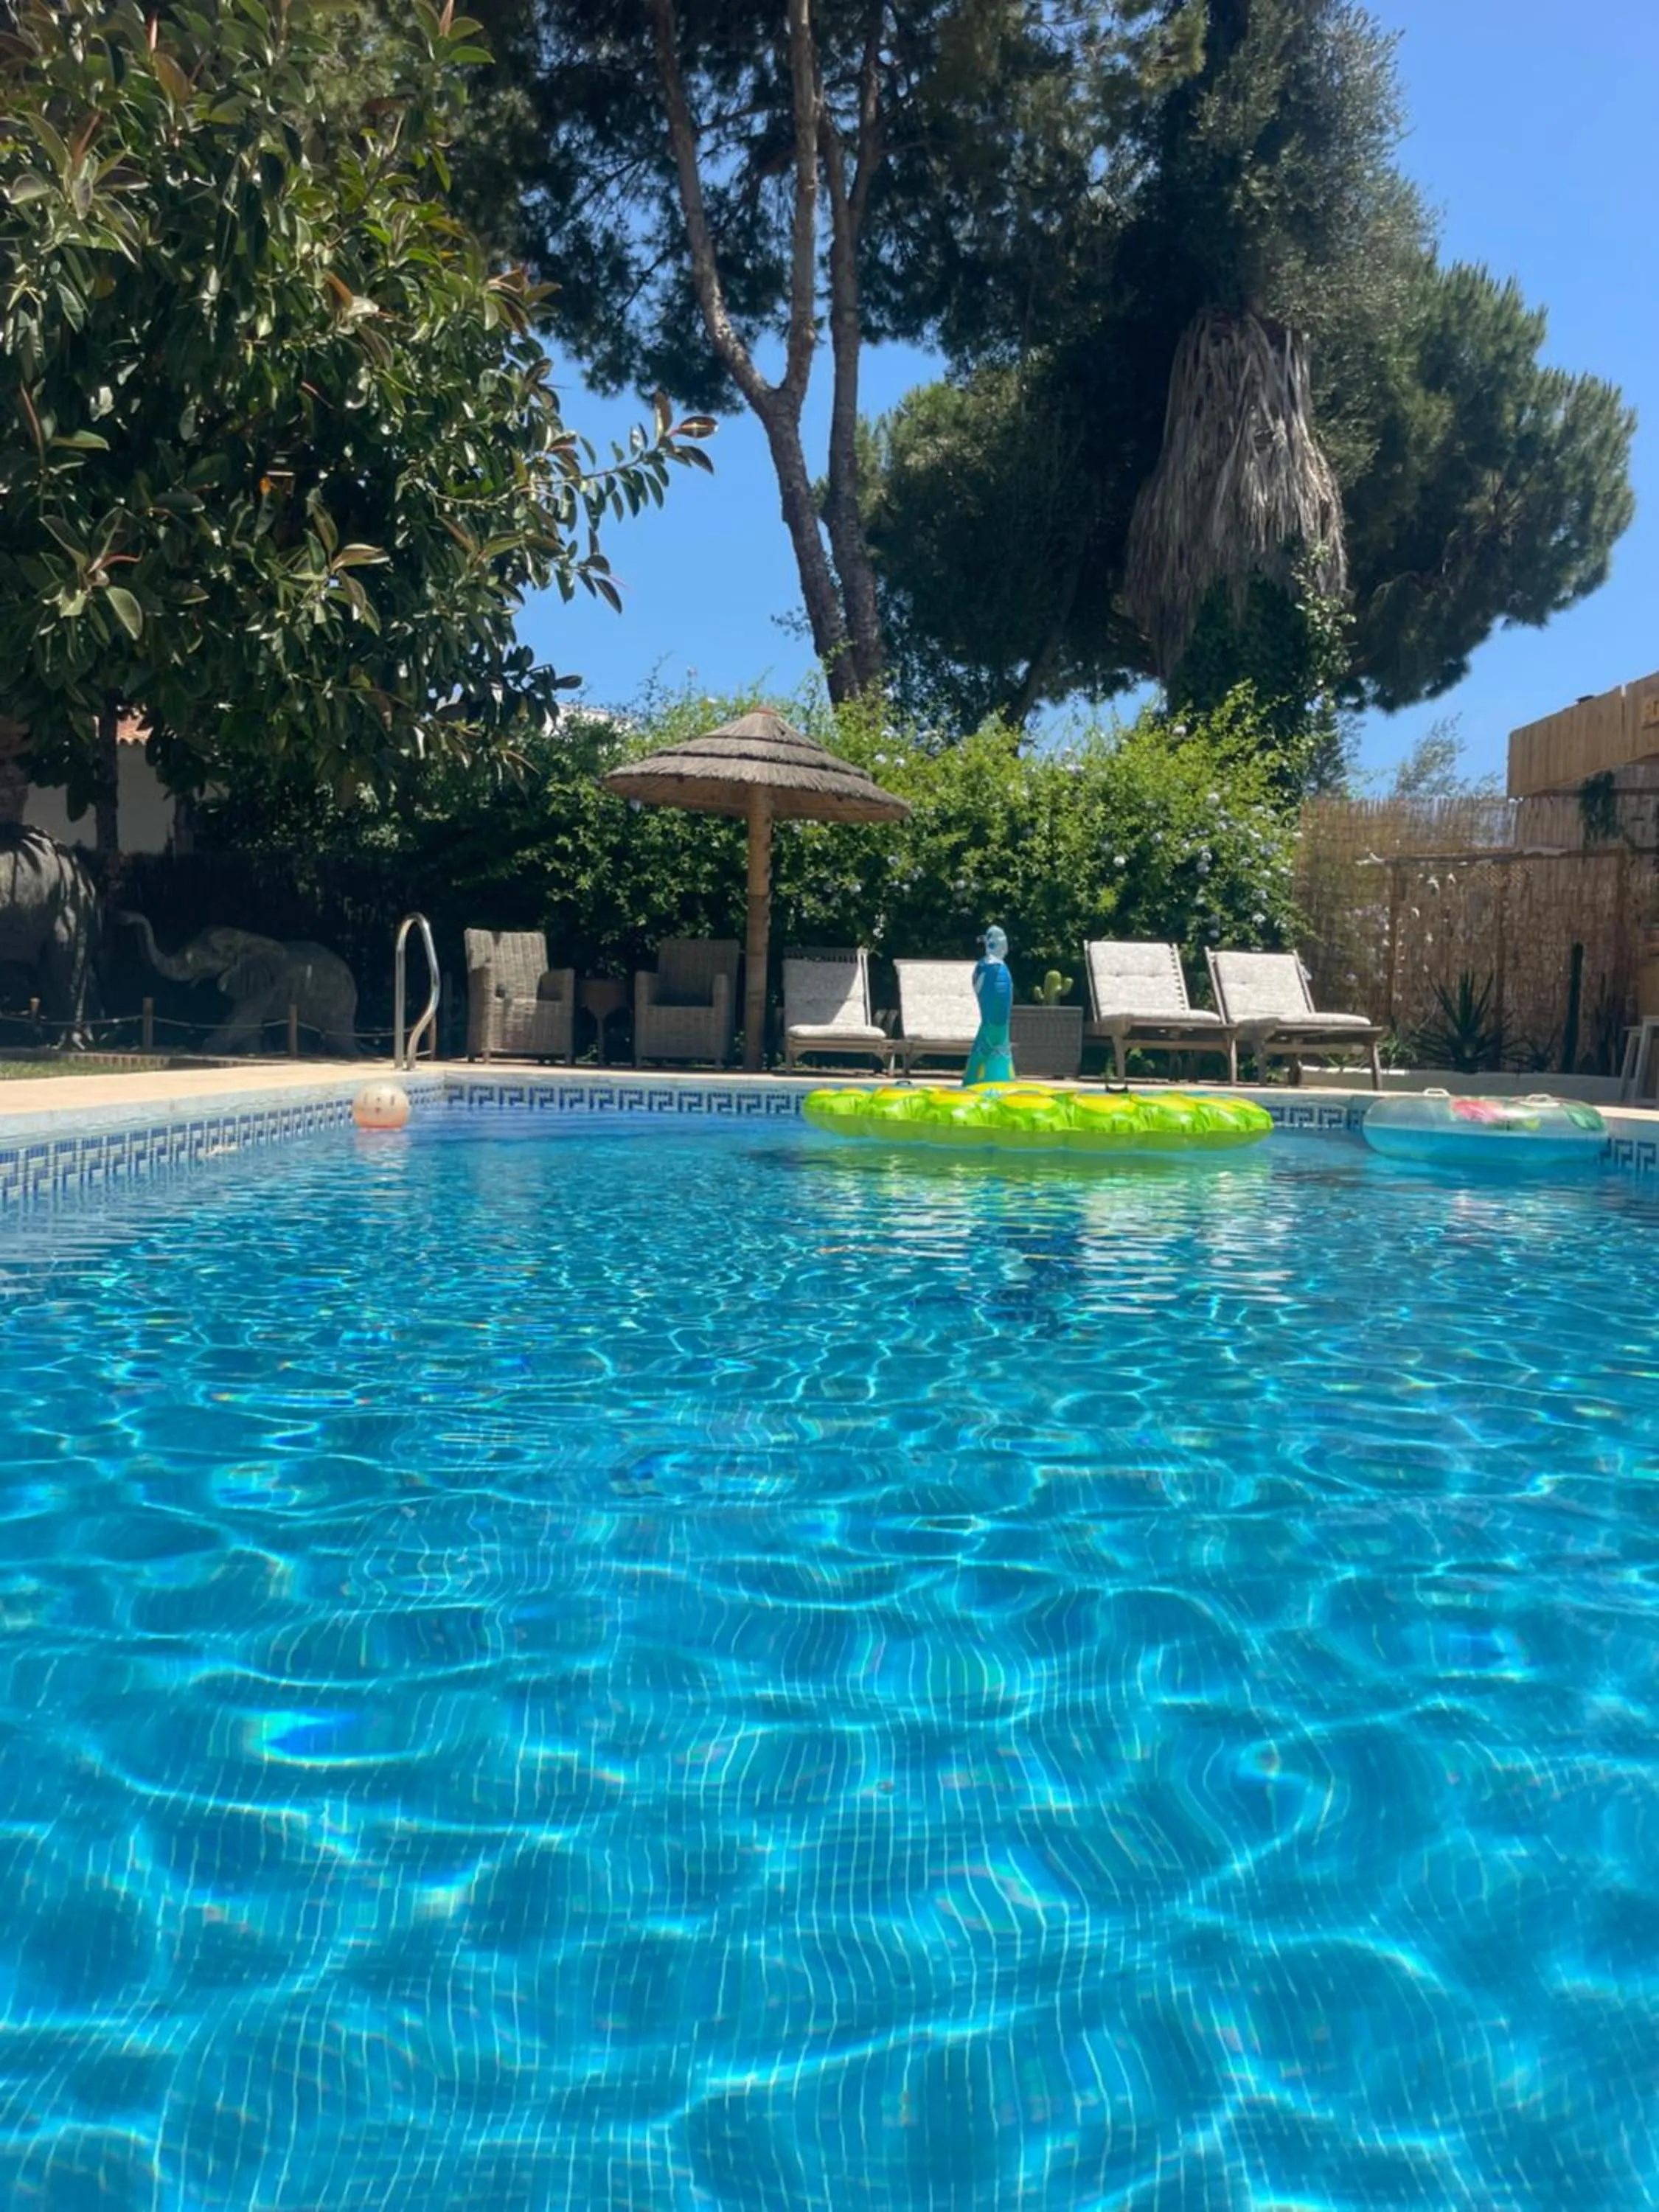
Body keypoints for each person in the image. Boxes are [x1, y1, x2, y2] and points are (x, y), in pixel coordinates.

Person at [962, 925, 1015, 1086]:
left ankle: (981, 1074)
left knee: (996, 1034)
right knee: (995, 1033)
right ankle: (984, 1076)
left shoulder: (993, 966)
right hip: (993, 1021)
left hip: (996, 1023)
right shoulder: (990, 966)